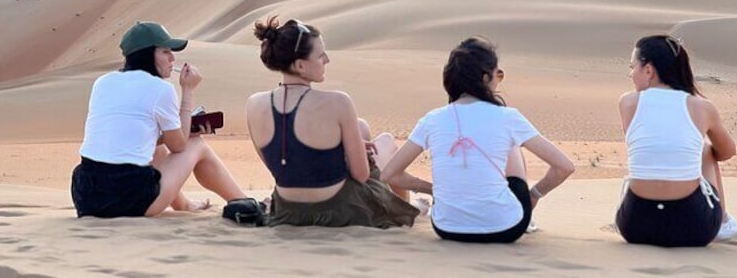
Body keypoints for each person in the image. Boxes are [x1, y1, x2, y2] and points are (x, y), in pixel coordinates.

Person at [381, 37, 575, 243]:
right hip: (506, 228)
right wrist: (534, 195)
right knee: (511, 145)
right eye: (497, 74)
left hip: (447, 228)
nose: (498, 80)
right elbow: (564, 167)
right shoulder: (507, 117)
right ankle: (524, 217)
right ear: (485, 77)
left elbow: (390, 174)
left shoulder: (431, 120)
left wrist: (433, 189)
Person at [245, 16, 419, 228]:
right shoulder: (338, 102)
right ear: (300, 65)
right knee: (385, 142)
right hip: (339, 211)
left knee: (360, 127)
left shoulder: (254, 103)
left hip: (286, 211)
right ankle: (402, 212)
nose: (327, 60)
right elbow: (361, 175)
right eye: (320, 55)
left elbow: (281, 166)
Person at [71, 21, 245, 218]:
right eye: (165, 51)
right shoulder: (161, 89)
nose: (172, 58)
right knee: (196, 145)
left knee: (158, 150)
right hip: (129, 200)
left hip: (86, 197)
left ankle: (184, 205)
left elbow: (128, 140)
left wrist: (168, 136)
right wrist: (188, 91)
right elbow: (179, 146)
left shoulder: (103, 82)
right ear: (147, 54)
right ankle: (243, 201)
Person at [616, 34, 737, 247]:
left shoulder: (627, 103)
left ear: (648, 70)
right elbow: (728, 151)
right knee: (705, 150)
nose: (631, 74)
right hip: (694, 228)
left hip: (636, 227)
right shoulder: (701, 106)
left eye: (633, 66)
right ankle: (722, 223)